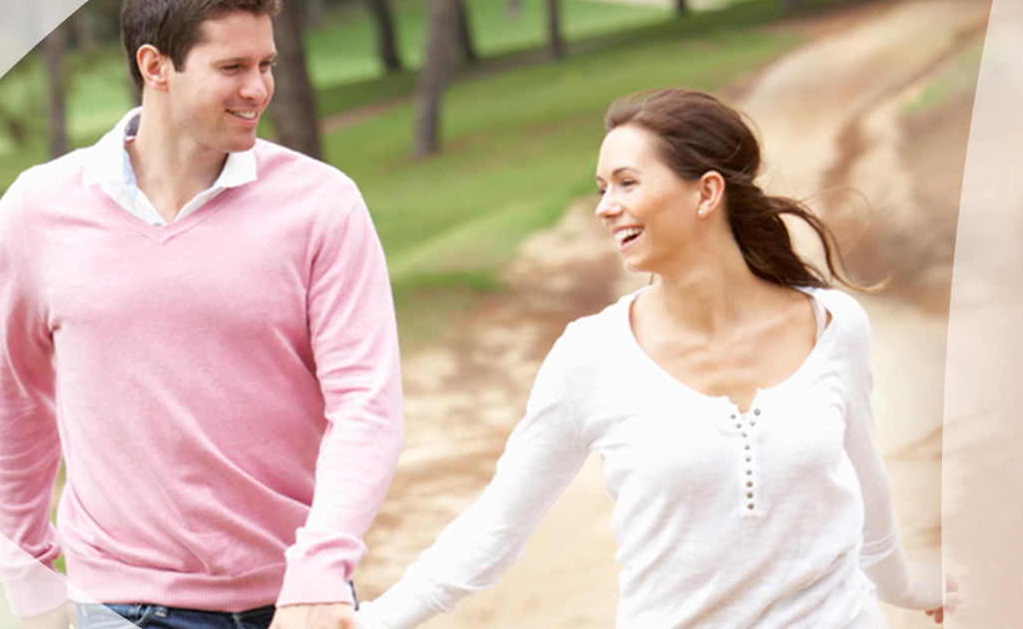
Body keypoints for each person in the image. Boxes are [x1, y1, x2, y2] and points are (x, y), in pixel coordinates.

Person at [356, 88, 945, 628]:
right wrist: (373, 622)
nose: (605, 208)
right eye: (601, 188)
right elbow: (496, 526)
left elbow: (870, 495)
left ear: (707, 192)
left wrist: (916, 586)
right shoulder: (591, 356)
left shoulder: (833, 326)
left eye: (626, 183)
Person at [0, 0, 402, 628]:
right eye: (232, 67)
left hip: (295, 603)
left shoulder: (322, 206)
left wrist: (320, 568)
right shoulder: (37, 212)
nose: (258, 88)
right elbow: (16, 401)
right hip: (119, 605)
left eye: (267, 64)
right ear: (156, 65)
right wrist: (29, 581)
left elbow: (366, 405)